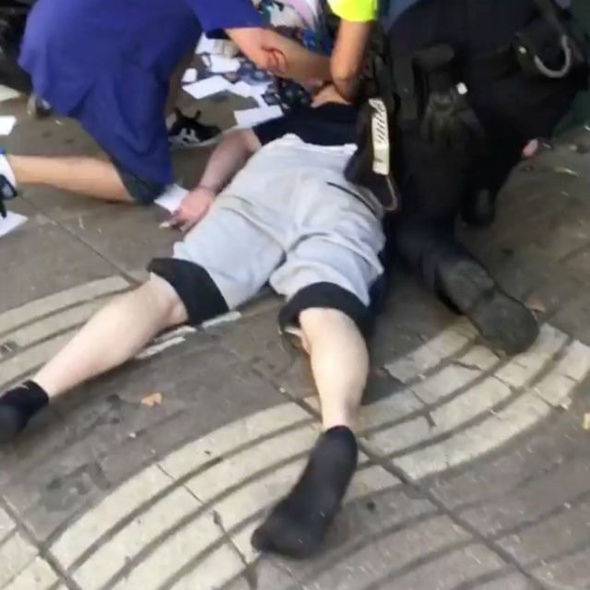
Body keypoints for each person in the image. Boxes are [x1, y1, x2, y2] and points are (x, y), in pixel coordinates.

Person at [0, 100, 386, 558]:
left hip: (271, 176)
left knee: (163, 295)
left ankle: (29, 394)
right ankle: (338, 431)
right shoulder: (397, 128)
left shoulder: (307, 113)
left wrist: (205, 189)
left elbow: (238, 140)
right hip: (350, 190)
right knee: (326, 307)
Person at [317, 0, 588, 355]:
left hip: (438, 89)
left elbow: (346, 71)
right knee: (502, 110)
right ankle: (482, 186)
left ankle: (459, 274)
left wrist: (339, 92)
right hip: (535, 65)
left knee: (412, 224)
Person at [0, 0, 331, 212]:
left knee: (189, 26)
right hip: (86, 56)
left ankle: (164, 122)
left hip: (65, 22)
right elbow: (265, 51)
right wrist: (337, 71)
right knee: (143, 182)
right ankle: (10, 167)